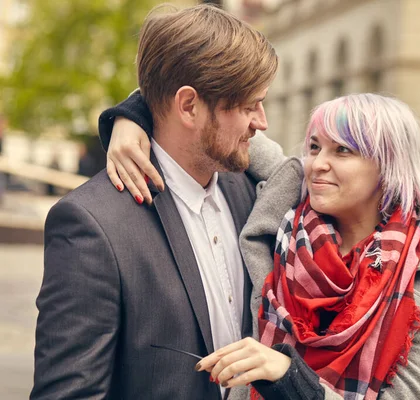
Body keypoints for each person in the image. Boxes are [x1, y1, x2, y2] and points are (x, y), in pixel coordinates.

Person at [101, 94, 420, 399]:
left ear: (389, 166)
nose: (317, 165)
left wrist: (290, 376)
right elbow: (201, 109)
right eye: (313, 147)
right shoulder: (287, 194)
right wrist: (128, 118)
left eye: (342, 151)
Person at [31, 4, 278, 400]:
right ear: (188, 106)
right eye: (248, 105)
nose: (261, 122)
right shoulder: (91, 225)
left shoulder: (254, 191)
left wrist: (128, 113)